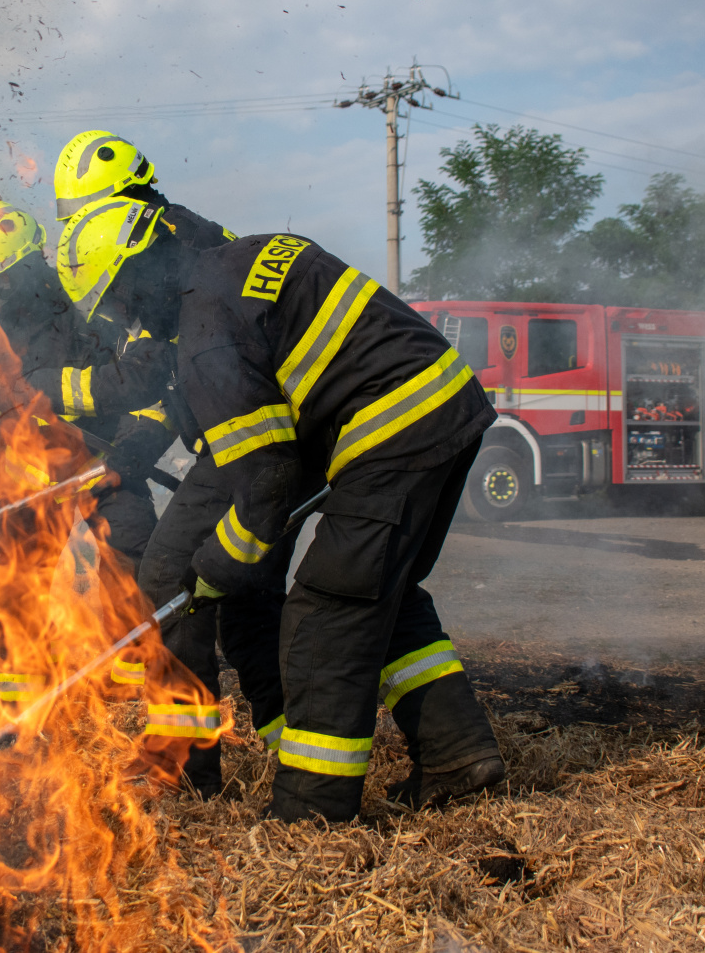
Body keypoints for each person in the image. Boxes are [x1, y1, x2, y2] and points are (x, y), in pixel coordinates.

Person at [55, 205, 505, 823]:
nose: (128, 319)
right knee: (385, 595)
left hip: (391, 429)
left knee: (326, 612)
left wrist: (216, 566)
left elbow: (268, 481)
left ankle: (311, 811)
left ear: (139, 275)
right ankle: (458, 755)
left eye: (119, 303)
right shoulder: (244, 256)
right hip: (447, 404)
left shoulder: (204, 330)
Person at [49, 132, 290, 798]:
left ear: (124, 205)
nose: (82, 235)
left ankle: (188, 765)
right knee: (249, 610)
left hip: (250, 441)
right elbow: (176, 392)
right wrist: (128, 455)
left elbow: (149, 375)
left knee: (167, 571)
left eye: (85, 216)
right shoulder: (179, 238)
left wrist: (50, 386)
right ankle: (297, 750)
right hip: (248, 437)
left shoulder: (165, 250)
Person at [0, 199, 169, 706]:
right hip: (29, 474)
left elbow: (152, 394)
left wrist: (127, 461)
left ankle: (131, 692)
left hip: (103, 464)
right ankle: (18, 703)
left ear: (30, 264)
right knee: (9, 571)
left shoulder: (91, 307)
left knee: (131, 553)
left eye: (2, 278)